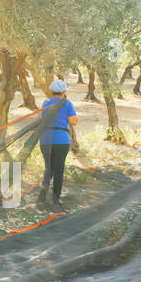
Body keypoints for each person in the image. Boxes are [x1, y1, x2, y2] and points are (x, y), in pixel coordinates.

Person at [39, 78, 77, 207]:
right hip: (61, 140)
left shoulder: (45, 103)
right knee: (58, 169)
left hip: (45, 140)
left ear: (51, 91)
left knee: (48, 168)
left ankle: (42, 195)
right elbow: (73, 121)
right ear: (64, 91)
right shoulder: (67, 104)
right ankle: (55, 199)